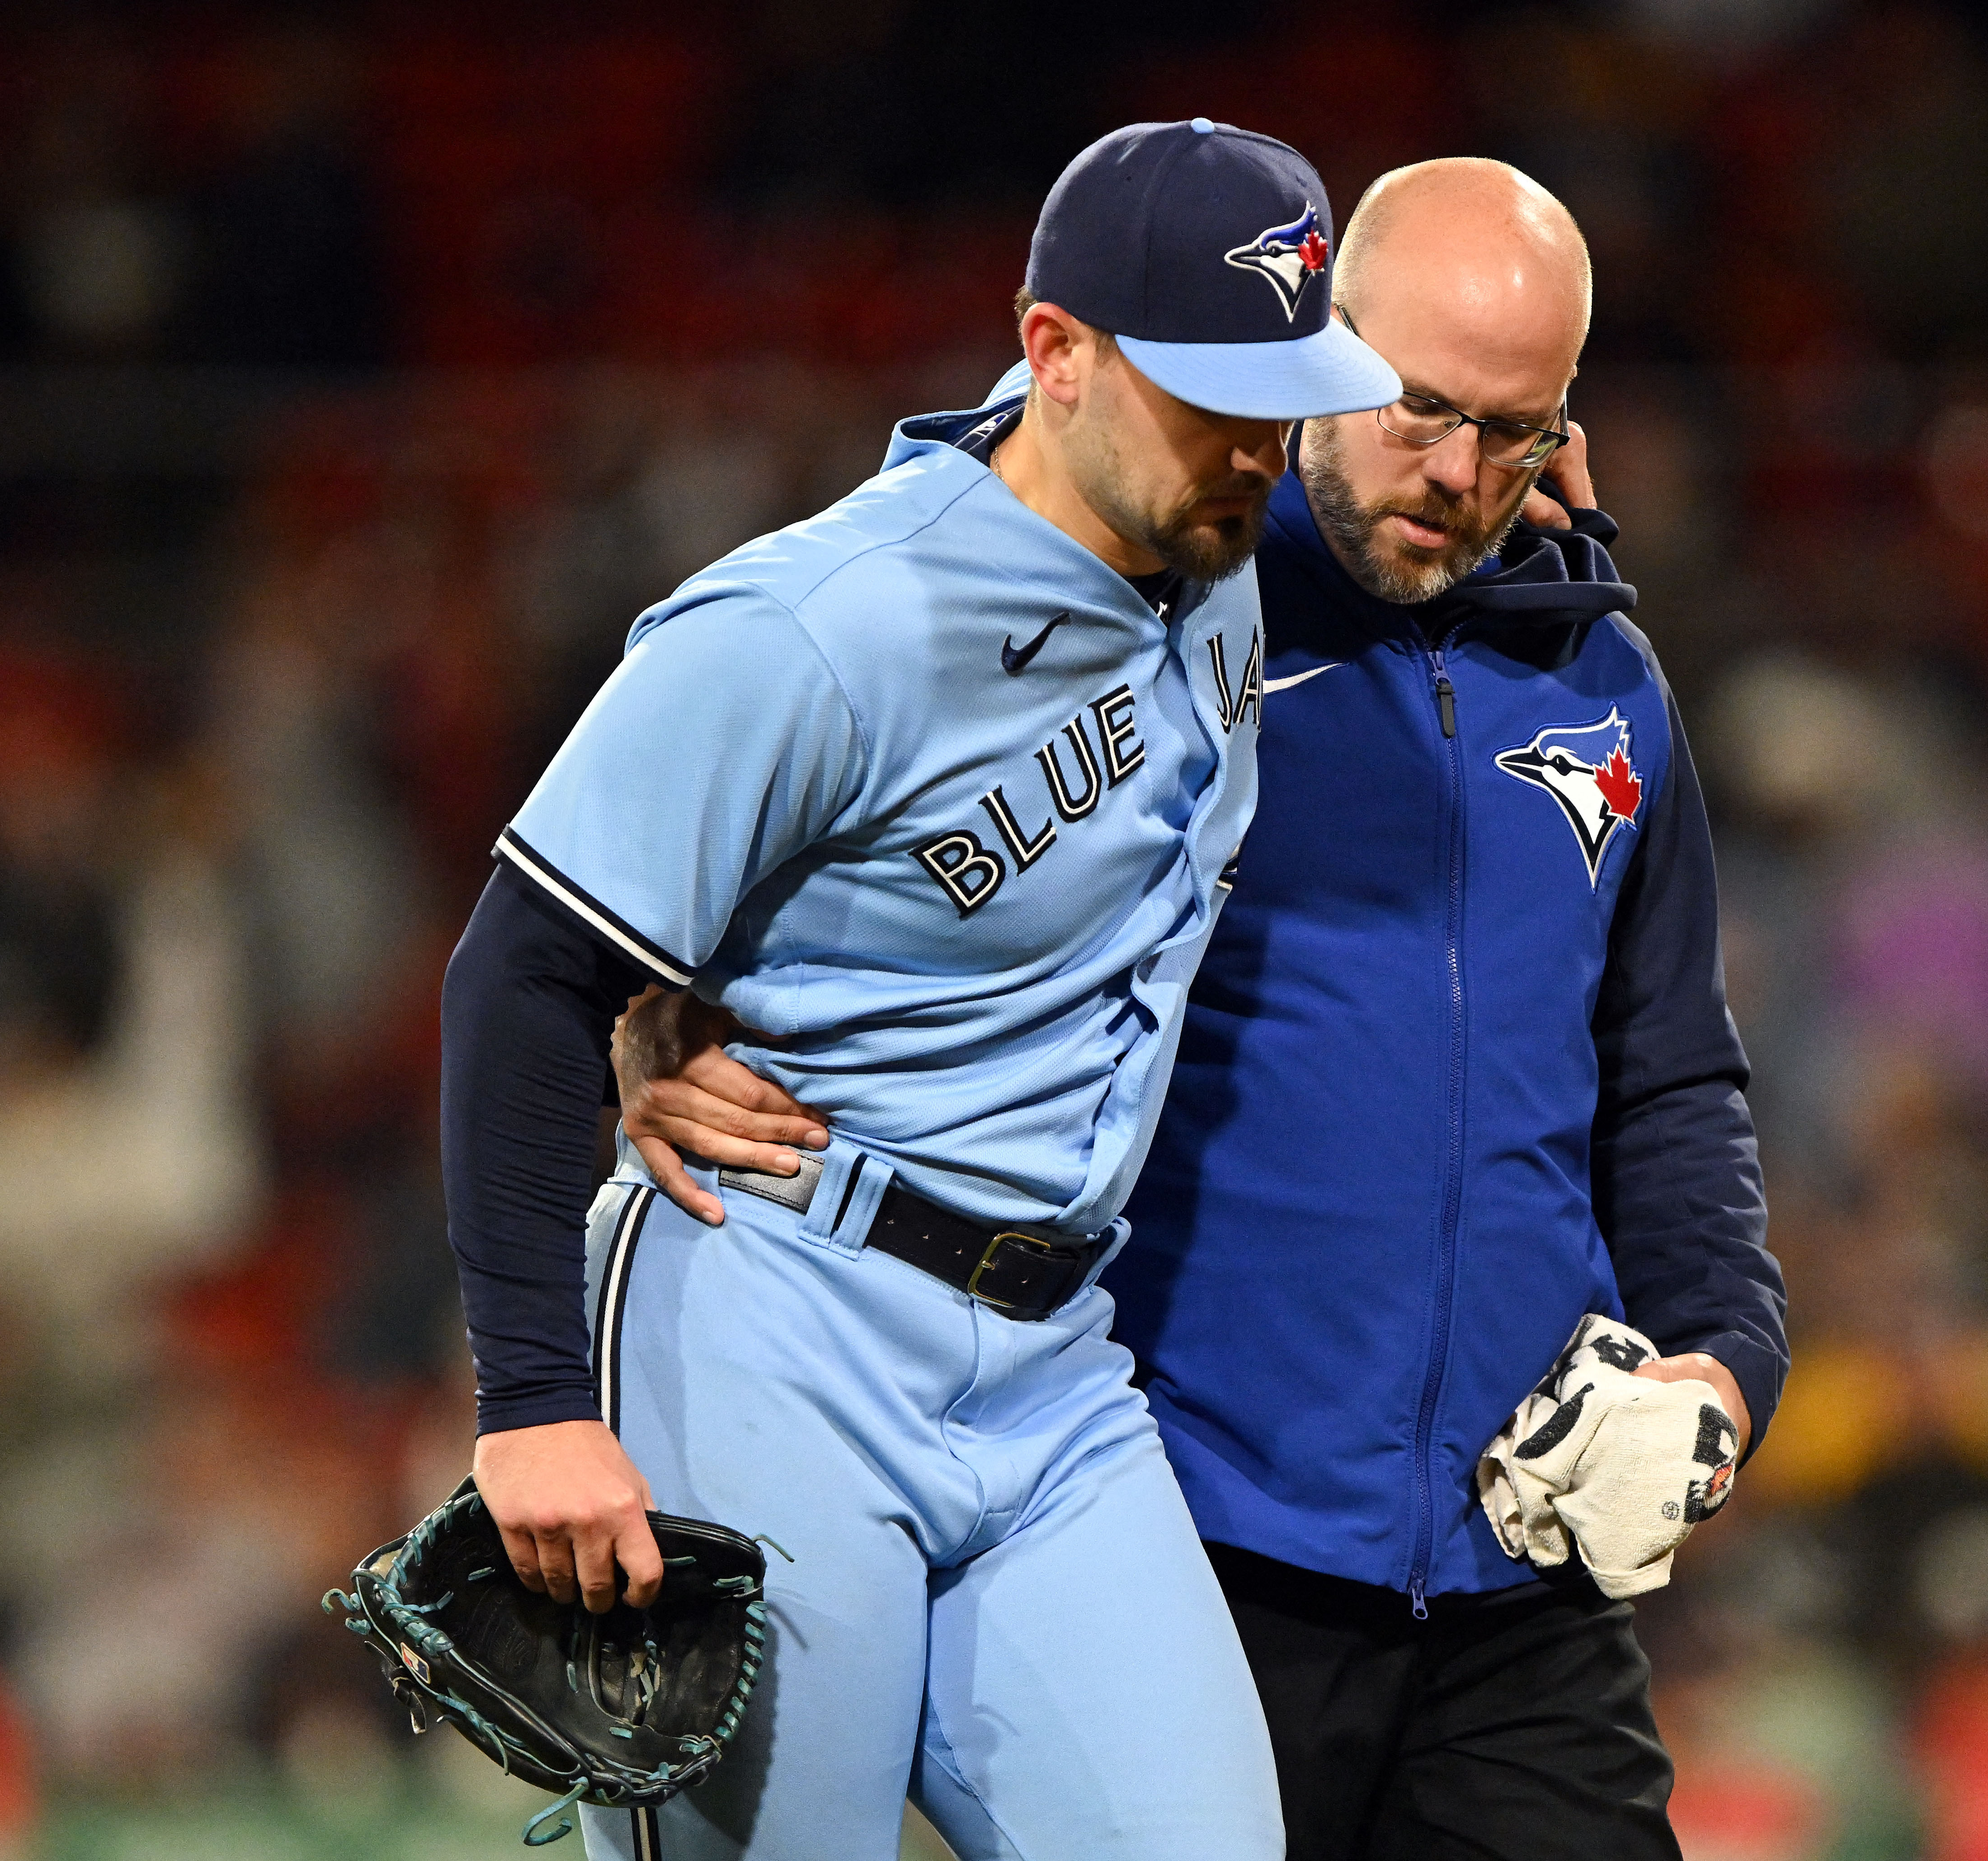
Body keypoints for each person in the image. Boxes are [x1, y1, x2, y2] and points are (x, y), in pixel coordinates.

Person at [623, 159, 1783, 1859]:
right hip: (1197, 1530)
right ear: (1318, 351)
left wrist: (1726, 1363)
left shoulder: (1606, 681)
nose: (1459, 476)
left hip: (1519, 1565)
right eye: (1417, 410)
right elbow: (848, 720)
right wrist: (660, 1002)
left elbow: (1672, 1071)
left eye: (1517, 433)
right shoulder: (1154, 612)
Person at [439, 119, 1399, 1861]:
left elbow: (1416, 512)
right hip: (777, 1313)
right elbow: (520, 974)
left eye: (1284, 398)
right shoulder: (821, 626)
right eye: (1213, 400)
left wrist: (1534, 470)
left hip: (1058, 1368)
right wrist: (534, 1406)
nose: (1259, 448)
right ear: (1056, 352)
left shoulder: (1221, 540)